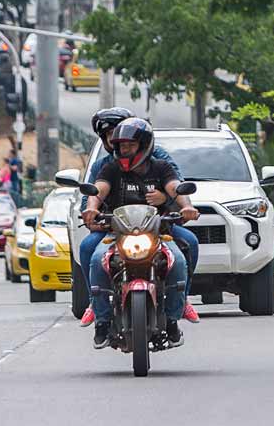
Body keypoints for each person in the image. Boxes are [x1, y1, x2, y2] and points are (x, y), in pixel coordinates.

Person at [78, 117, 194, 348]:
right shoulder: (110, 168)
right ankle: (101, 320)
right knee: (96, 260)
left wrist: (186, 206)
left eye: (130, 145)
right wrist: (91, 209)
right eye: (121, 146)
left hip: (158, 234)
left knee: (179, 261)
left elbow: (175, 186)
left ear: (144, 145)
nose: (124, 150)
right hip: (116, 234)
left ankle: (172, 319)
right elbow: (98, 190)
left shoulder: (161, 166)